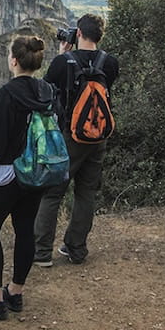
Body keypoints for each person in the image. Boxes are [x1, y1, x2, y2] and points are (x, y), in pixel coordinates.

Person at [0, 36, 54, 320]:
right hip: (35, 174)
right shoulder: (46, 91)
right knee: (25, 230)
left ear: (14, 60)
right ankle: (15, 292)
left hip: (5, 175)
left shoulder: (7, 94)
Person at [33, 14, 119, 267]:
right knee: (86, 193)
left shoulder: (63, 62)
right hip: (99, 137)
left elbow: (45, 90)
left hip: (69, 137)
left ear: (78, 33)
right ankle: (76, 248)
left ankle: (41, 253)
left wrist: (63, 53)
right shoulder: (110, 62)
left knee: (52, 193)